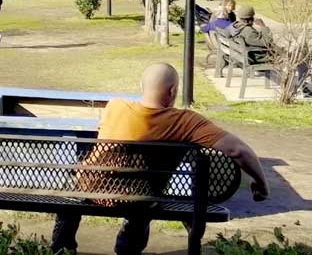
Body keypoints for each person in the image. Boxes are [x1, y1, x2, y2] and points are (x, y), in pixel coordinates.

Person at [51, 63, 269, 254]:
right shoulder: (186, 121)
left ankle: (61, 248)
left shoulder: (114, 106)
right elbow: (239, 151)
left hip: (92, 189)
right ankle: (127, 250)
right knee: (144, 198)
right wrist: (261, 184)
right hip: (137, 199)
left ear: (142, 87)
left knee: (74, 191)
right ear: (172, 90)